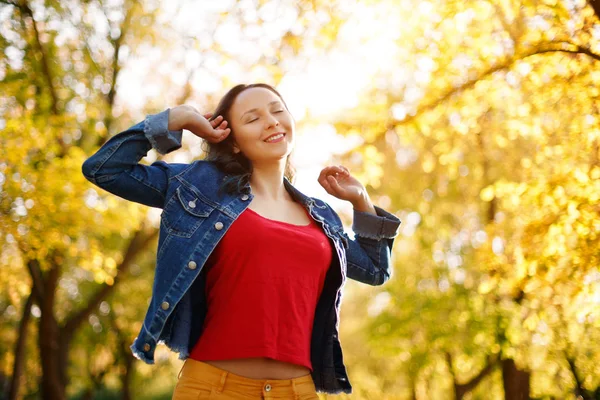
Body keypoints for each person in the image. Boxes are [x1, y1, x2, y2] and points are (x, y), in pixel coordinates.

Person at [81, 83, 401, 399]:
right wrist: (176, 118)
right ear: (233, 143)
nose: (272, 121)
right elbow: (104, 170)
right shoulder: (199, 187)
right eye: (253, 118)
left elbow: (375, 270)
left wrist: (361, 201)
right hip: (213, 387)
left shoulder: (322, 216)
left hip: (297, 391)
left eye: (277, 111)